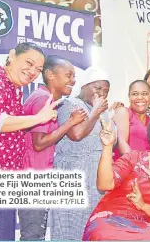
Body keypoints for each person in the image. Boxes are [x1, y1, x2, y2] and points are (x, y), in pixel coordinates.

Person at [0, 42, 57, 241]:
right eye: (29, 63)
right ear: (12, 55)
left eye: (38, 69)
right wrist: (38, 118)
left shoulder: (14, 90)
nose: (32, 71)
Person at [82, 112, 150, 241]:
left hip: (148, 229)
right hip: (111, 218)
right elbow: (104, 184)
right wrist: (107, 146)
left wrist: (144, 206)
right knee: (101, 235)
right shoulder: (134, 158)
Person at [19, 55, 87, 241]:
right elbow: (39, 144)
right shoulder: (43, 99)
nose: (73, 80)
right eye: (68, 75)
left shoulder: (48, 98)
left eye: (73, 76)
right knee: (33, 236)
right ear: (50, 74)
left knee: (36, 234)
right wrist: (71, 122)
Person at [51, 67, 118, 240]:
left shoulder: (104, 112)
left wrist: (104, 115)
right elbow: (77, 135)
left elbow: (113, 140)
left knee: (92, 228)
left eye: (106, 91)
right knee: (68, 228)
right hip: (73, 174)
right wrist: (96, 111)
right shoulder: (69, 104)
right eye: (97, 89)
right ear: (84, 86)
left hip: (96, 179)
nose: (101, 94)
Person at [112, 80, 150, 160]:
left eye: (144, 94)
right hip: (126, 166)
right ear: (129, 97)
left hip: (146, 168)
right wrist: (139, 165)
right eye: (135, 94)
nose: (140, 97)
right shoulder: (123, 112)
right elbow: (121, 142)